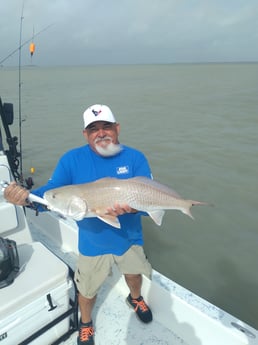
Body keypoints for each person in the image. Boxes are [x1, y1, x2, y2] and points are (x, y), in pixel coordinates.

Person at [4, 104, 153, 345]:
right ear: (85, 134)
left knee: (134, 275)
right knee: (87, 290)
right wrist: (25, 198)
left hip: (130, 237)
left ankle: (135, 298)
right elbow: (49, 195)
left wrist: (136, 206)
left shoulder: (135, 158)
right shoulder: (72, 160)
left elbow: (151, 199)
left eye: (106, 126)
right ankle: (86, 322)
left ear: (117, 128)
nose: (100, 133)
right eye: (93, 129)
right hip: (92, 244)